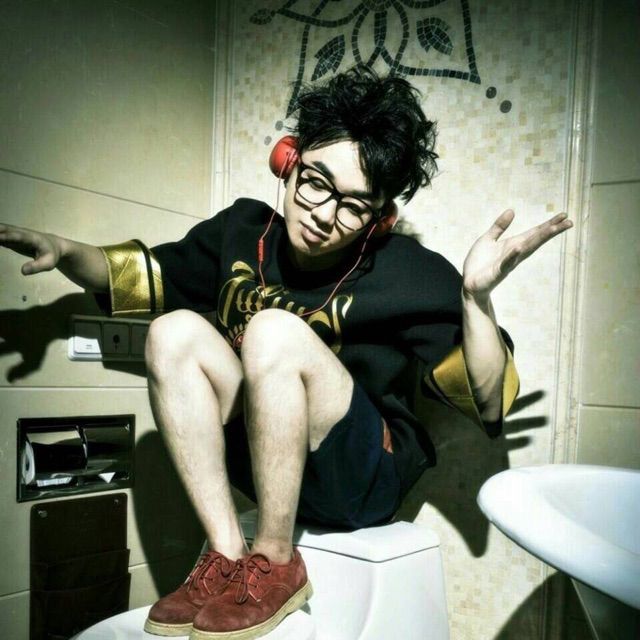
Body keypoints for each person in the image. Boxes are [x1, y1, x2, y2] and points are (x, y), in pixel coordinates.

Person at [0, 66, 571, 640]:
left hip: (360, 480)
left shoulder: (406, 271)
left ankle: (276, 561)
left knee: (272, 330)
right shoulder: (242, 231)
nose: (324, 214)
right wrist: (65, 250)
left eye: (354, 206)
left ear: (380, 220)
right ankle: (228, 556)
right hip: (265, 464)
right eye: (316, 182)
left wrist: (475, 299)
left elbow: (488, 401)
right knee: (171, 332)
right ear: (288, 161)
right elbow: (138, 274)